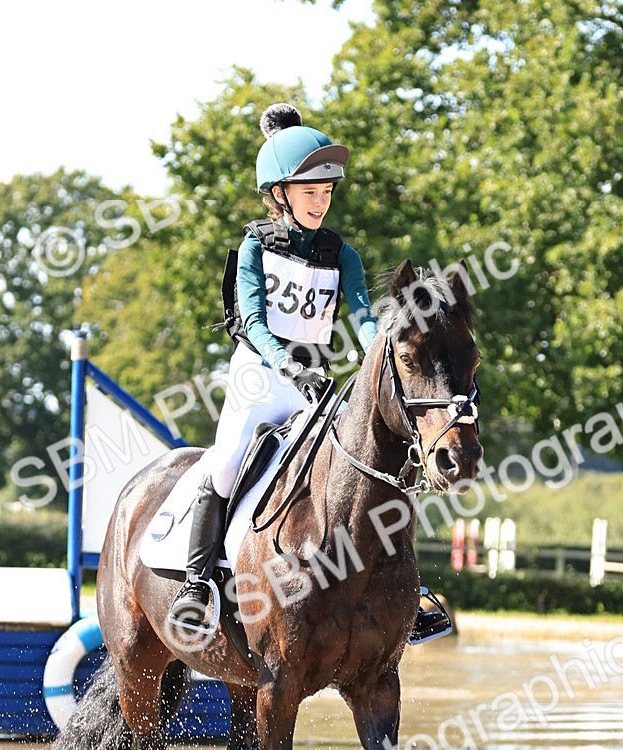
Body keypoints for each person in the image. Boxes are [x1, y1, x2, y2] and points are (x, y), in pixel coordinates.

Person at [168, 102, 451, 644]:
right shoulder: (256, 245)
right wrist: (282, 361)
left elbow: (365, 318)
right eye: (309, 193)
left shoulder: (340, 253)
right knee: (226, 461)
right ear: (280, 194)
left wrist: (382, 352)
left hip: (314, 384)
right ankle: (197, 585)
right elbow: (251, 317)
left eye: (326, 193)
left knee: (369, 462)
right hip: (259, 375)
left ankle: (399, 588)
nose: (321, 202)